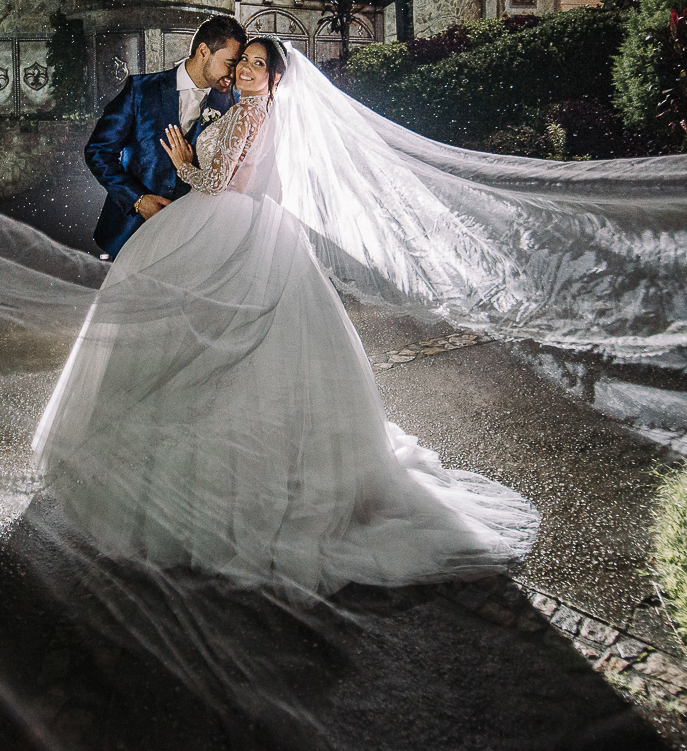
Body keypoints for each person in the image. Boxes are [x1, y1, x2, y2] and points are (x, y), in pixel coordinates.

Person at [33, 38, 541, 597]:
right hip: (243, 227)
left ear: (276, 79)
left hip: (225, 223)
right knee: (221, 346)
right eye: (243, 62)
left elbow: (224, 183)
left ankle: (199, 495)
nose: (247, 71)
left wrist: (184, 163)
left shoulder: (250, 110)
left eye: (258, 64)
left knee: (210, 349)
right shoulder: (254, 110)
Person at [84, 15, 245, 257]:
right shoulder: (140, 90)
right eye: (230, 63)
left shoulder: (232, 105)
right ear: (203, 51)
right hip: (130, 232)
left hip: (190, 239)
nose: (233, 74)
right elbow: (98, 151)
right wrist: (138, 200)